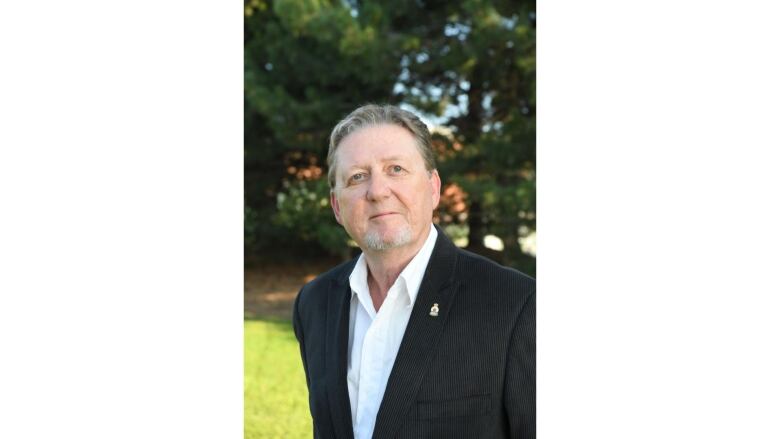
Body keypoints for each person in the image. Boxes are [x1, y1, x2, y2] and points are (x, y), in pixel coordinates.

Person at [293, 104, 535, 439]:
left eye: (396, 169)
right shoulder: (314, 303)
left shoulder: (517, 304)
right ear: (337, 206)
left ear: (433, 188)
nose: (377, 191)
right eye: (357, 177)